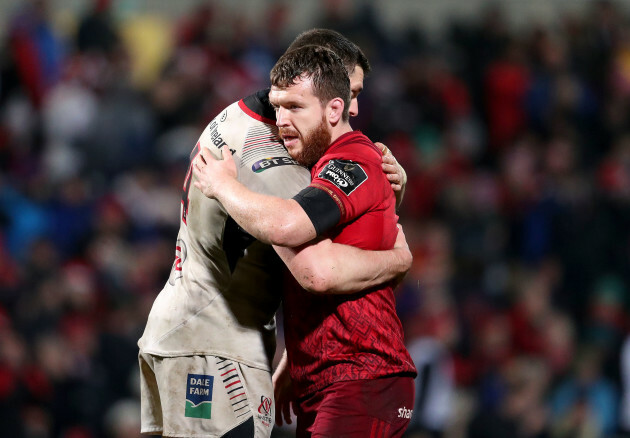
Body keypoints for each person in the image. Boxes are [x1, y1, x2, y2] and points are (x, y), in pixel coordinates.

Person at [138, 30, 410, 438]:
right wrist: (399, 257)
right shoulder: (275, 157)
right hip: (219, 345)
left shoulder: (237, 117)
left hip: (187, 331)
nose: (353, 107)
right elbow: (316, 268)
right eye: (348, 91)